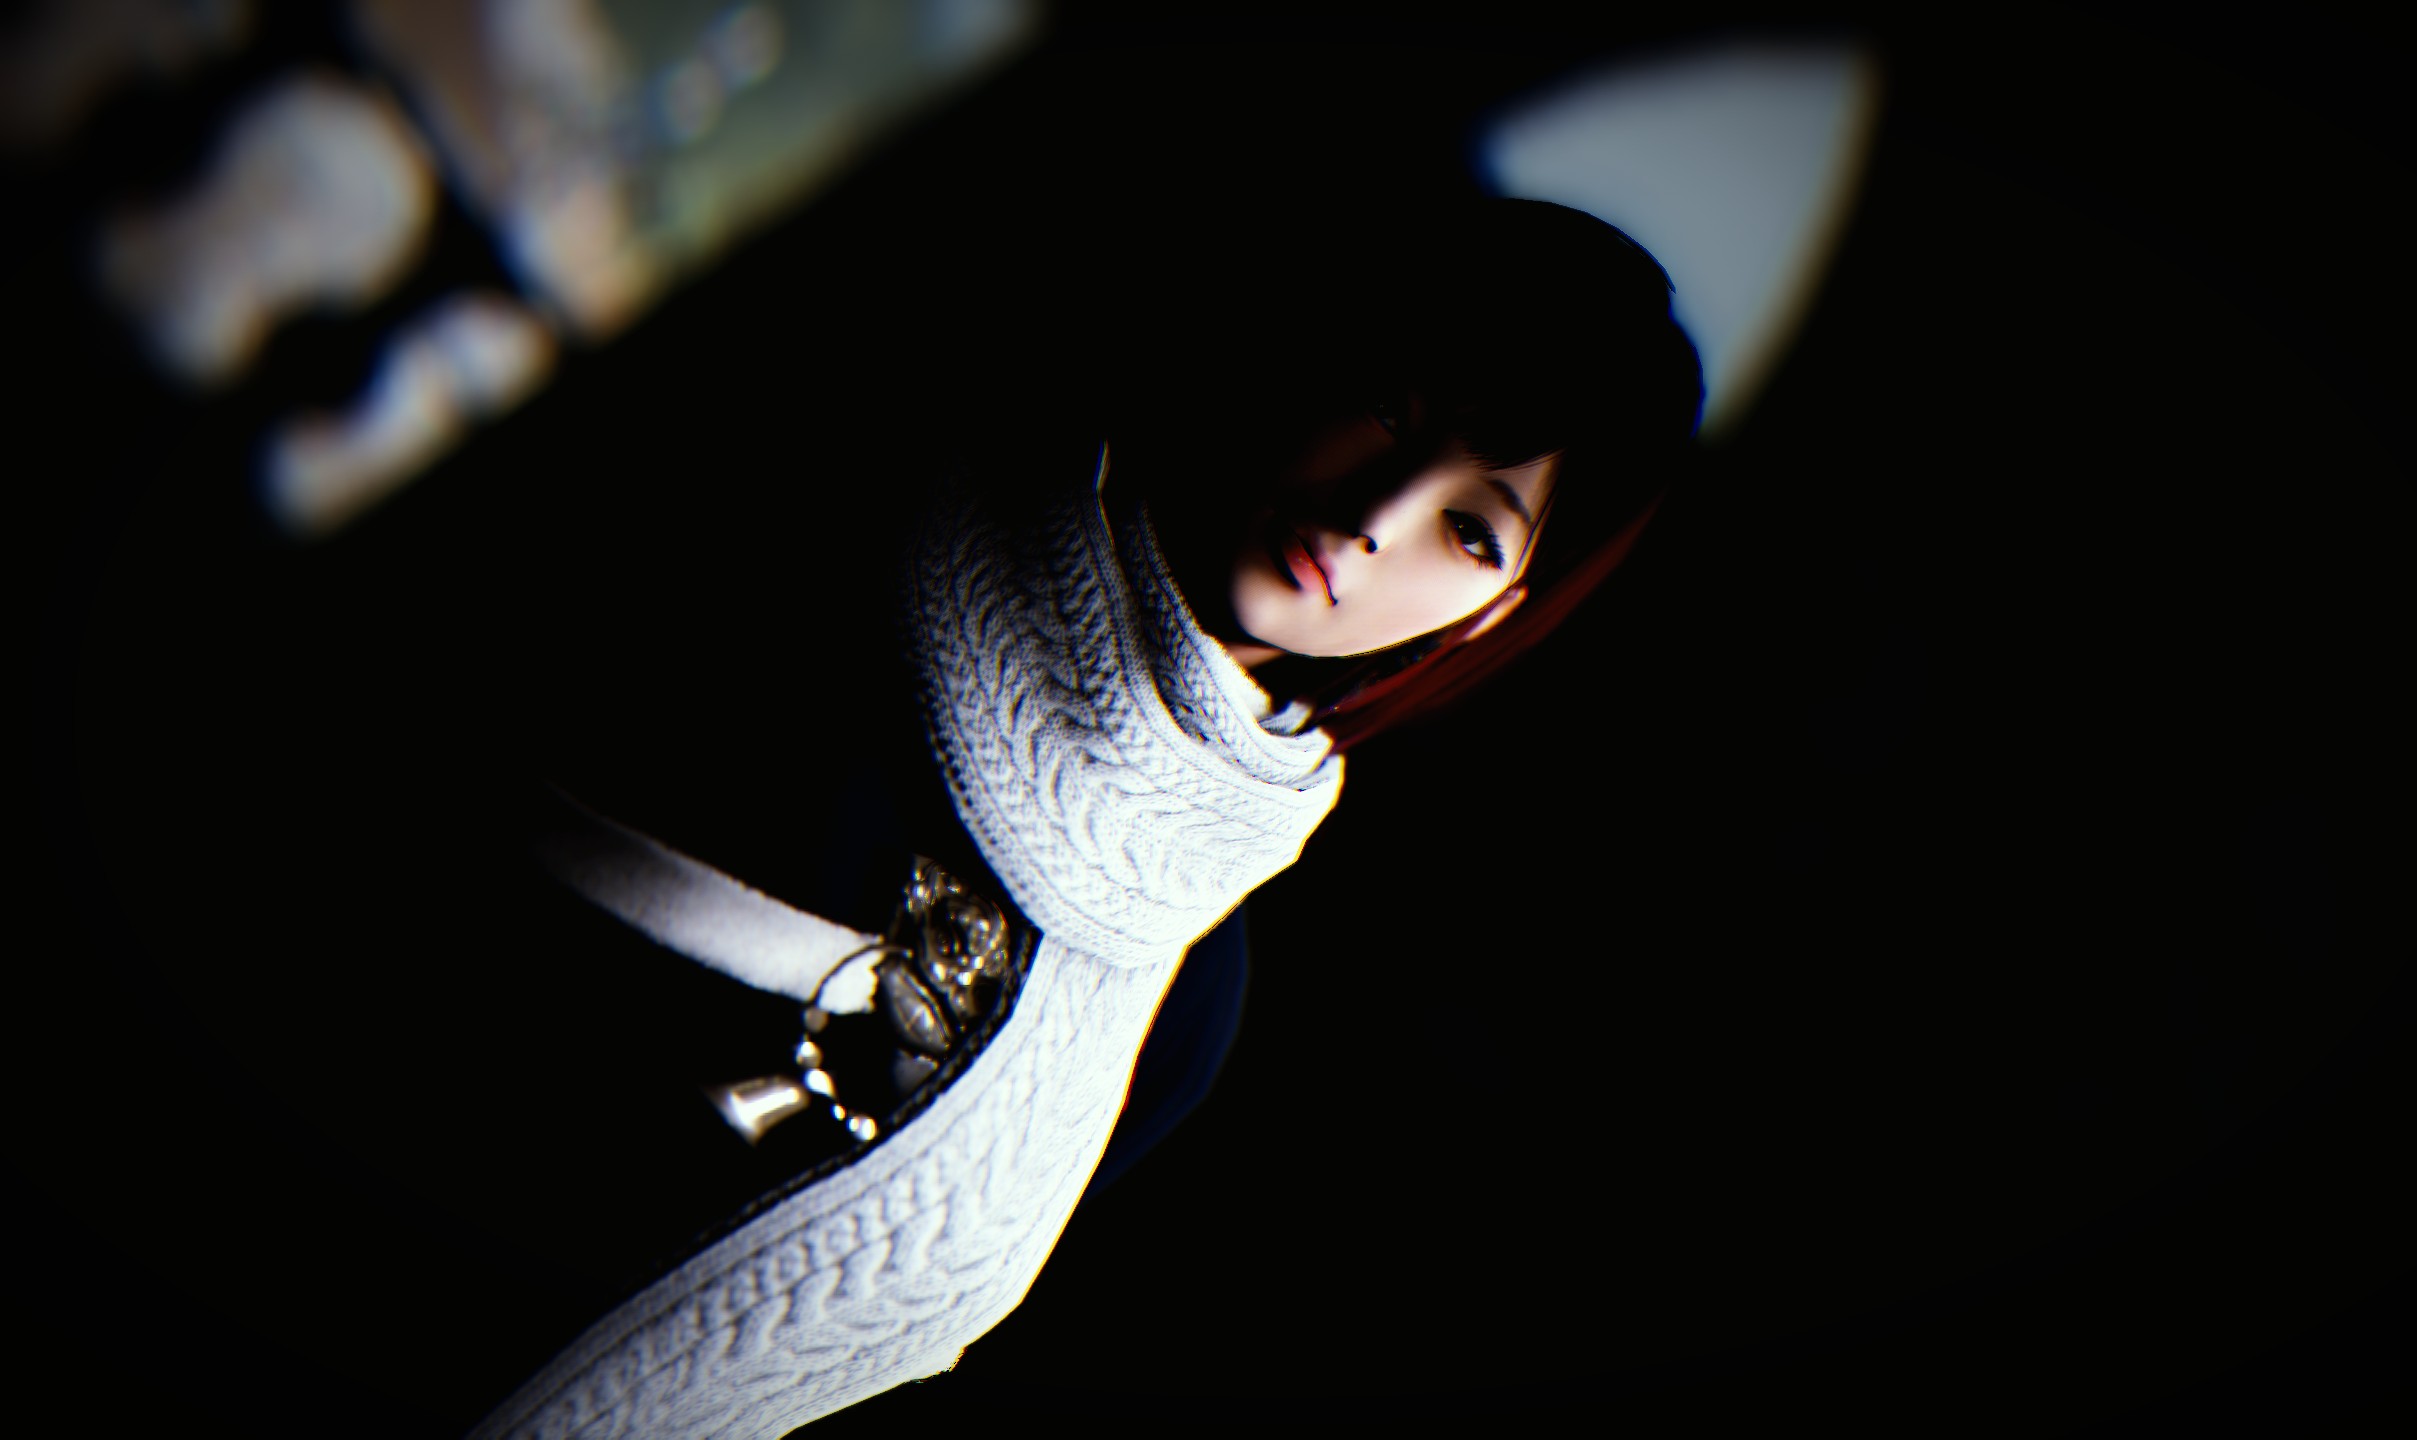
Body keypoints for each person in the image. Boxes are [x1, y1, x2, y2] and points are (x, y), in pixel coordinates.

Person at [212, 196, 1703, 1437]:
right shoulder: (848, 492)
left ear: (1489, 614)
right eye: (1392, 409)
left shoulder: (1185, 993)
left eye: (1470, 529)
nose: (1379, 514)